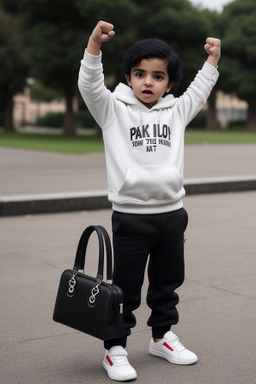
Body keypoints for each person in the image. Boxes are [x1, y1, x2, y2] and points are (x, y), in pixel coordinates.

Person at [78, 20, 221, 382]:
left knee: (167, 283)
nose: (148, 82)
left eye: (158, 77)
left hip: (172, 215)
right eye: (140, 74)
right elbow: (89, 85)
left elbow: (200, 91)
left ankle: (161, 337)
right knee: (124, 289)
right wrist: (94, 46)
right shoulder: (111, 109)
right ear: (128, 76)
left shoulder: (177, 111)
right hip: (130, 217)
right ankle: (115, 348)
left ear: (169, 84)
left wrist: (212, 61)